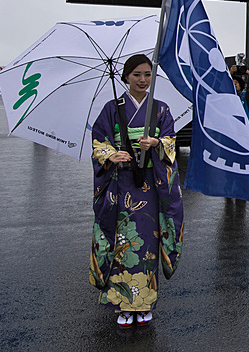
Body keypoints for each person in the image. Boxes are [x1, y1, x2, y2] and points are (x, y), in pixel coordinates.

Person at [90, 54, 184, 328]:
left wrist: (157, 144)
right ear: (125, 77)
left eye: (147, 75)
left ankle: (145, 302)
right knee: (122, 242)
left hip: (150, 186)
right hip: (121, 185)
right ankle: (122, 303)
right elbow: (99, 140)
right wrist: (110, 155)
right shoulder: (112, 108)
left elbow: (171, 141)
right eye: (137, 75)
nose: (143, 80)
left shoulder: (161, 109)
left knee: (147, 244)